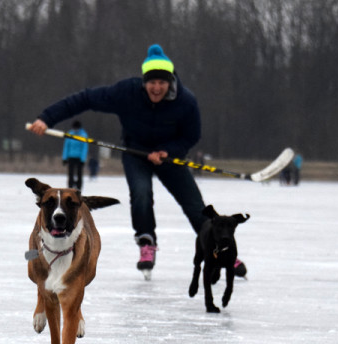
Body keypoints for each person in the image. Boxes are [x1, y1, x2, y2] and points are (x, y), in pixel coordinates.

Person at [29, 44, 247, 277]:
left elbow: (192, 135)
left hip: (170, 157)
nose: (156, 88)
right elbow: (84, 99)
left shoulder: (186, 101)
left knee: (195, 206)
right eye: (151, 82)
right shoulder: (126, 93)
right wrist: (46, 118)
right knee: (141, 193)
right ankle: (146, 243)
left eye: (162, 83)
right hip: (136, 154)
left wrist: (168, 151)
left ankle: (223, 250)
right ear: (144, 81)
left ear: (171, 81)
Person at [62, 120, 88, 189]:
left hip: (79, 158)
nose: (75, 129)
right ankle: (70, 187)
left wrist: (83, 159)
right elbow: (66, 147)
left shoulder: (83, 135)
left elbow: (84, 148)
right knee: (70, 174)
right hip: (71, 157)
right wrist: (64, 158)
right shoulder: (70, 134)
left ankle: (79, 188)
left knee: (79, 174)